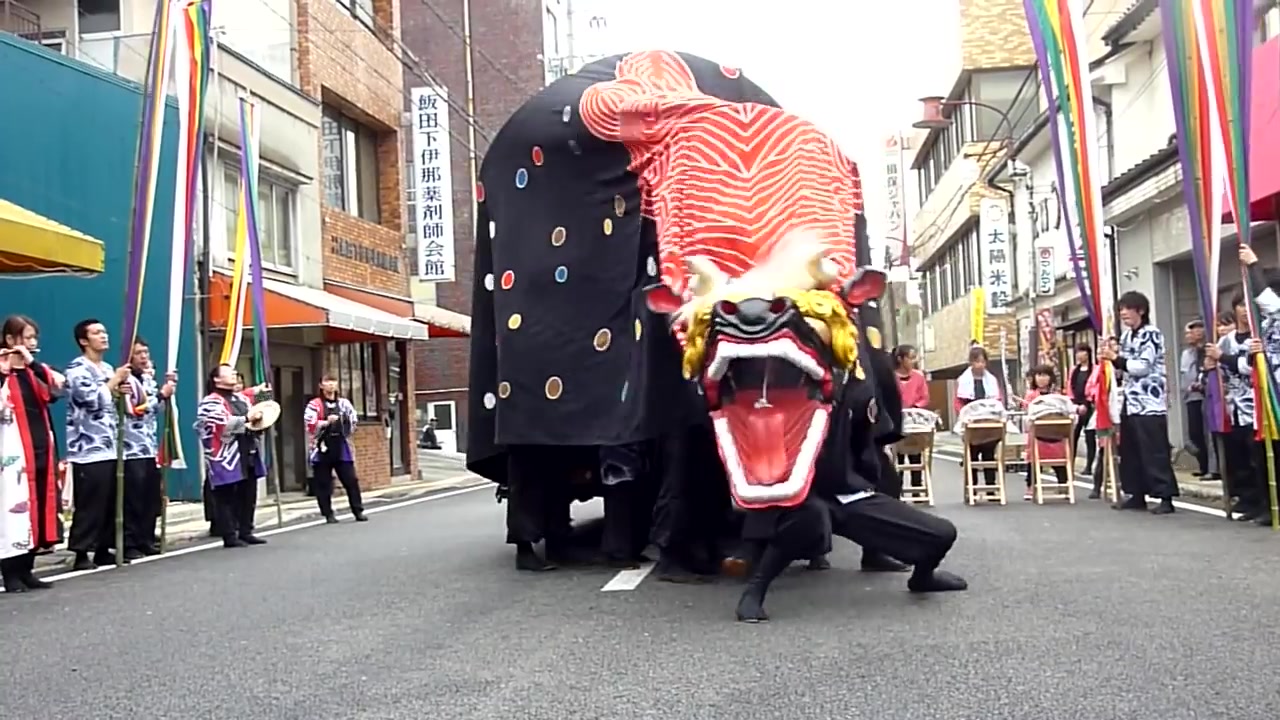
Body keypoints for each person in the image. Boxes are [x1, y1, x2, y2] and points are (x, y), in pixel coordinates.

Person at [0, 316, 66, 592]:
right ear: (10, 339)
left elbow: (56, 390)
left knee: (36, 506)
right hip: (10, 453)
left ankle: (27, 569)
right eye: (27, 337)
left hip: (40, 447)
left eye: (34, 338)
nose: (32, 343)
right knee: (12, 509)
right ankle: (10, 572)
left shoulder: (33, 370)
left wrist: (32, 364)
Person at [1099, 291, 1178, 514]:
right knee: (1131, 451)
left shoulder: (1151, 334)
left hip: (1149, 401)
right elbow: (1124, 368)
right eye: (1121, 310)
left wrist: (1116, 358)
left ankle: (1165, 496)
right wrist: (1110, 360)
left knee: (1154, 450)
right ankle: (1136, 493)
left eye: (1127, 309)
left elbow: (1142, 366)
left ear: (1140, 311)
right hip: (1131, 400)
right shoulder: (1126, 337)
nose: (1123, 313)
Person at [64, 318, 133, 570]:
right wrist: (114, 382)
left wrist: (121, 391)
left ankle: (104, 548)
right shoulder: (77, 370)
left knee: (110, 501)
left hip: (110, 443)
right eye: (96, 333)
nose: (103, 336)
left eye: (104, 331)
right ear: (84, 340)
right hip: (88, 446)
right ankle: (81, 551)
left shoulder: (107, 368)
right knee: (90, 501)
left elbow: (114, 401)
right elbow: (91, 400)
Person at [1229, 244, 1280, 525]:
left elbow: (1267, 300)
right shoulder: (1267, 324)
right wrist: (1255, 353)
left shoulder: (1278, 313)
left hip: (1276, 395)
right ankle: (1268, 505)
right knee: (1263, 455)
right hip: (1265, 396)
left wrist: (1252, 264)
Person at [194, 364, 269, 548]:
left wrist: (264, 401)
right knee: (226, 496)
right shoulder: (210, 401)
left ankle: (246, 530)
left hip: (247, 449)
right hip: (225, 455)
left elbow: (260, 407)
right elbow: (221, 424)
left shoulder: (241, 398)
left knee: (248, 493)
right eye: (229, 372)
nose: (234, 374)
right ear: (216, 379)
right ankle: (229, 534)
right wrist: (247, 419)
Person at [120, 338, 176, 559]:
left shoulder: (147, 379)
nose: (144, 357)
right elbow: (134, 409)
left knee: (150, 497)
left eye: (146, 352)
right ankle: (130, 542)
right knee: (133, 498)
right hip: (131, 447)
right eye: (138, 353)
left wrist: (166, 391)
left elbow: (157, 408)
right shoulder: (126, 380)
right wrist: (162, 394)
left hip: (148, 446)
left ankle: (146, 538)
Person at [304, 373, 366, 524]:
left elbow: (353, 420)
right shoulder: (314, 404)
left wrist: (343, 421)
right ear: (321, 385)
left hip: (341, 445)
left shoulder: (344, 403)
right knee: (323, 483)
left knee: (350, 479)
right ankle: (328, 513)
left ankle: (358, 510)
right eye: (327, 382)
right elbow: (309, 424)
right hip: (321, 446)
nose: (331, 385)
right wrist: (325, 422)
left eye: (333, 382)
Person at [954, 345, 1003, 490]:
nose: (980, 365)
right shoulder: (963, 380)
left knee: (989, 454)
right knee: (972, 455)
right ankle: (972, 486)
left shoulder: (992, 380)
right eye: (977, 361)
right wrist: (964, 414)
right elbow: (958, 402)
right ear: (971, 362)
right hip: (971, 421)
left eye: (982, 361)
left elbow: (998, 400)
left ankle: (991, 486)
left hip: (988, 420)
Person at [1022, 364, 1069, 501]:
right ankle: (1031, 486)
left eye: (1045, 375)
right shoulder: (1031, 395)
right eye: (1039, 375)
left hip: (1055, 432)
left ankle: (1063, 484)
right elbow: (1027, 410)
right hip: (1037, 434)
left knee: (1059, 459)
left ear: (1050, 378)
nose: (1042, 379)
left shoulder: (1057, 395)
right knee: (1033, 460)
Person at [1180, 320, 1217, 479]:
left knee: (1206, 433)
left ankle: (1212, 469)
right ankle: (1203, 465)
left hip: (1204, 395)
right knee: (1194, 434)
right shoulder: (1187, 354)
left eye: (1192, 332)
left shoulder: (1206, 350)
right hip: (1190, 396)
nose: (1188, 336)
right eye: (1187, 333)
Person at [893, 344, 929, 489]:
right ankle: (898, 487)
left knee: (915, 454)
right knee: (898, 457)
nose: (913, 361)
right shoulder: (891, 377)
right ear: (900, 359)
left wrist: (915, 407)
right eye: (910, 358)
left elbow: (924, 397)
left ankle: (917, 486)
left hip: (914, 419)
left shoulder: (919, 377)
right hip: (897, 420)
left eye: (915, 358)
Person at [1068, 343, 1097, 477]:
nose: (1079, 355)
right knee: (1073, 435)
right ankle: (1070, 464)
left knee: (1090, 436)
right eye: (1077, 352)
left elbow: (1094, 388)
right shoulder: (1074, 370)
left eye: (1082, 352)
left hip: (1090, 406)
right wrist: (1073, 404)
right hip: (1076, 406)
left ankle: (1089, 465)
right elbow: (1070, 387)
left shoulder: (1095, 370)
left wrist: (1087, 403)